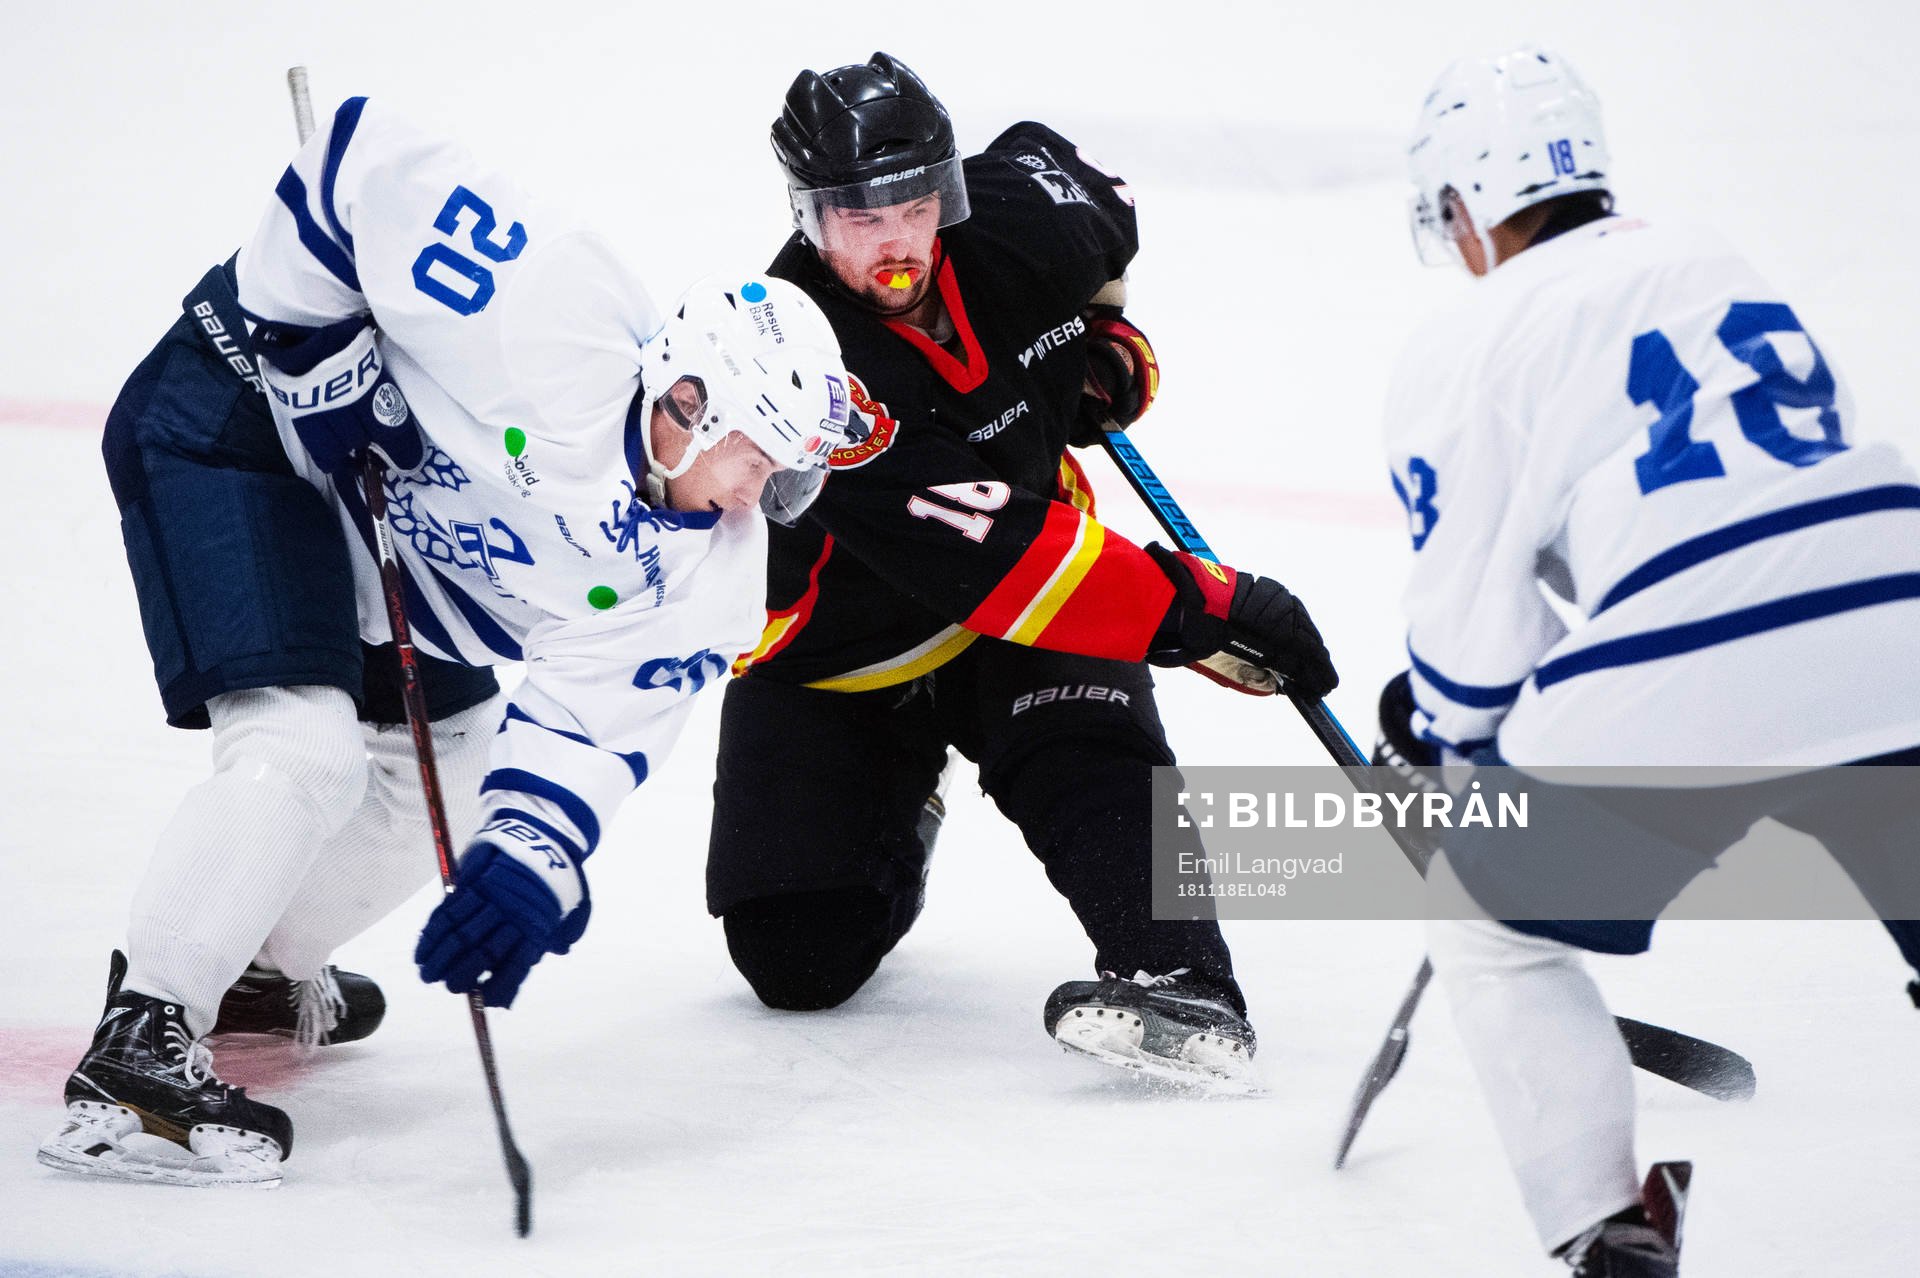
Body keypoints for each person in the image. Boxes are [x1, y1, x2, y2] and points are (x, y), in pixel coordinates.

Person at [39, 95, 852, 1188]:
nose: (770, 494)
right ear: (688, 402)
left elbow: (589, 733)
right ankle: (139, 1048)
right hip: (239, 420)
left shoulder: (711, 578)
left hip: (392, 557)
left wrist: (525, 865)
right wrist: (315, 347)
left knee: (466, 770)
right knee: (306, 748)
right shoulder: (555, 301)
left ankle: (247, 967)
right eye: (763, 457)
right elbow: (351, 162)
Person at [1377, 46, 1920, 1274]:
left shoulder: (1470, 337)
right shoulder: (1706, 257)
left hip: (1702, 664)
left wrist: (1458, 742)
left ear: (1464, 203)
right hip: (1903, 602)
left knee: (1489, 922)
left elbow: (1474, 636)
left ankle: (1608, 1240)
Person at [703, 52, 1340, 1089]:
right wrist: (1208, 607)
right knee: (795, 961)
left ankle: (1182, 976)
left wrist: (1101, 337)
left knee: (1084, 744)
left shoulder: (1014, 220)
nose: (899, 240)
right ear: (812, 218)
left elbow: (1089, 191)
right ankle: (905, 786)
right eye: (862, 219)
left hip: (1021, 612)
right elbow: (1002, 559)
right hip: (851, 658)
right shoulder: (800, 366)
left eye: (916, 203)